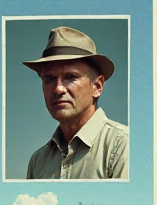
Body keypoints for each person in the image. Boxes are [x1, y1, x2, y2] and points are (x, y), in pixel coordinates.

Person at [23, 26, 128, 180]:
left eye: (71, 77)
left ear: (97, 86)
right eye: (49, 79)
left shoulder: (123, 146)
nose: (58, 88)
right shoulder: (37, 161)